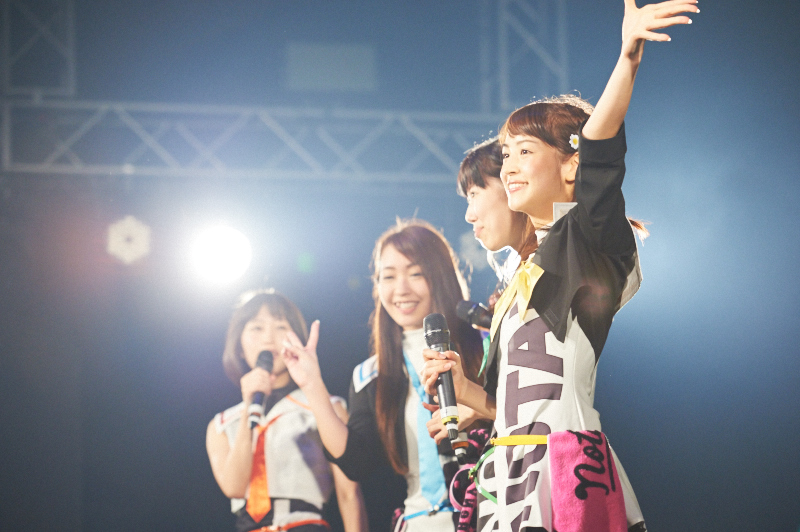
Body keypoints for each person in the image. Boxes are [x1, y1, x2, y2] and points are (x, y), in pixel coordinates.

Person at [422, 1, 698, 531]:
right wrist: (465, 390)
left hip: (566, 471)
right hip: (508, 476)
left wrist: (627, 58)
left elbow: (601, 151)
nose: (509, 165)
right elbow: (521, 402)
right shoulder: (517, 281)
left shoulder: (587, 241)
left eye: (525, 151)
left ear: (572, 167)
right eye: (506, 154)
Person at [280, 220, 484, 532]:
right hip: (418, 522)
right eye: (388, 276)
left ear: (440, 276)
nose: (401, 289)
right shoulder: (370, 374)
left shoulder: (484, 346)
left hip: (488, 514)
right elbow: (356, 462)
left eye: (415, 273)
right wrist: (312, 384)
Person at [206, 290, 368, 532]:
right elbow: (234, 488)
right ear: (238, 345)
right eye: (257, 328)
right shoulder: (222, 424)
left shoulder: (325, 407)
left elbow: (349, 494)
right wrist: (248, 407)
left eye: (281, 327)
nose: (268, 338)